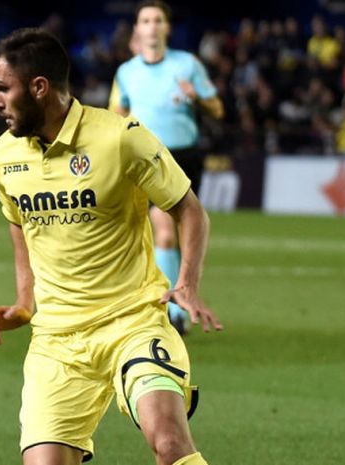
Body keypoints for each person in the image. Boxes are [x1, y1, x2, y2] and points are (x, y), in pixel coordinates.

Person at [0, 27, 222, 465]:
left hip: (132, 324)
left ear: (38, 88)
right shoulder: (1, 157)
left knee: (169, 443)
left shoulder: (120, 137)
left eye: (2, 89)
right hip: (56, 341)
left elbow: (189, 210)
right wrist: (24, 302)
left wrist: (186, 283)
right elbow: (20, 226)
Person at [108, 0, 224, 334]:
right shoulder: (127, 72)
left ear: (167, 28)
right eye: (146, 20)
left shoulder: (187, 65)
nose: (153, 26)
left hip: (184, 156)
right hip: (146, 157)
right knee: (162, 231)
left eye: (158, 20)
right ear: (138, 29)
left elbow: (216, 108)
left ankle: (172, 303)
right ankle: (173, 311)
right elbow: (115, 112)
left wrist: (197, 97)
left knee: (172, 231)